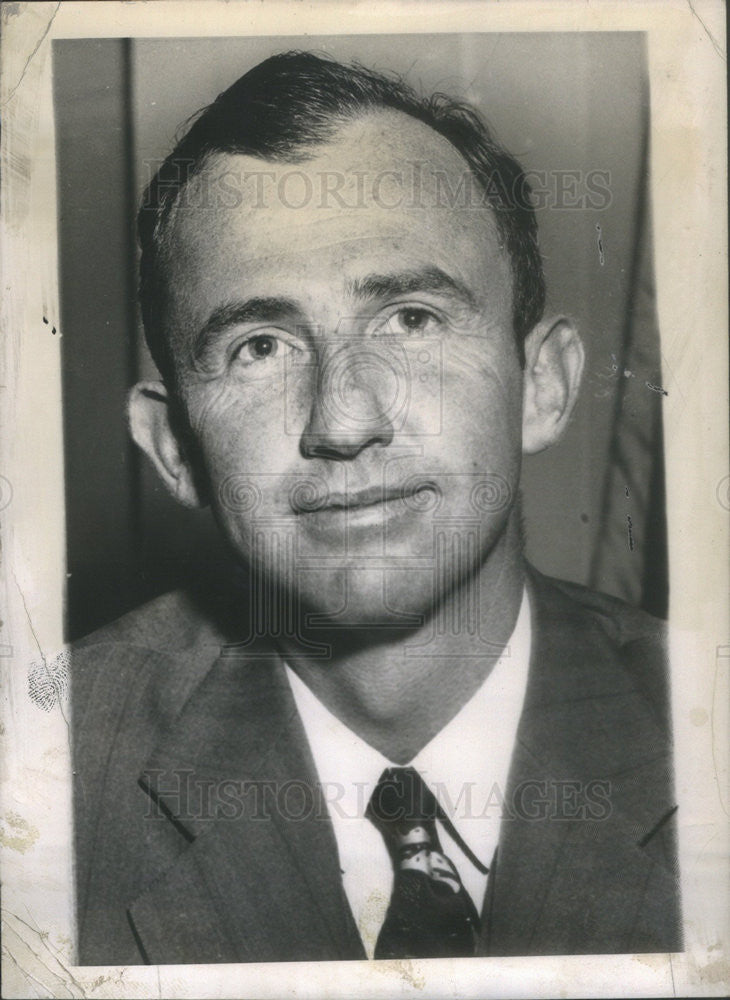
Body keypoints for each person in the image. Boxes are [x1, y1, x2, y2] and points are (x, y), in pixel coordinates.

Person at [71, 51, 681, 965]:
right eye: (261, 346)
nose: (343, 421)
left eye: (410, 320)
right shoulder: (42, 770)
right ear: (175, 450)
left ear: (542, 386)